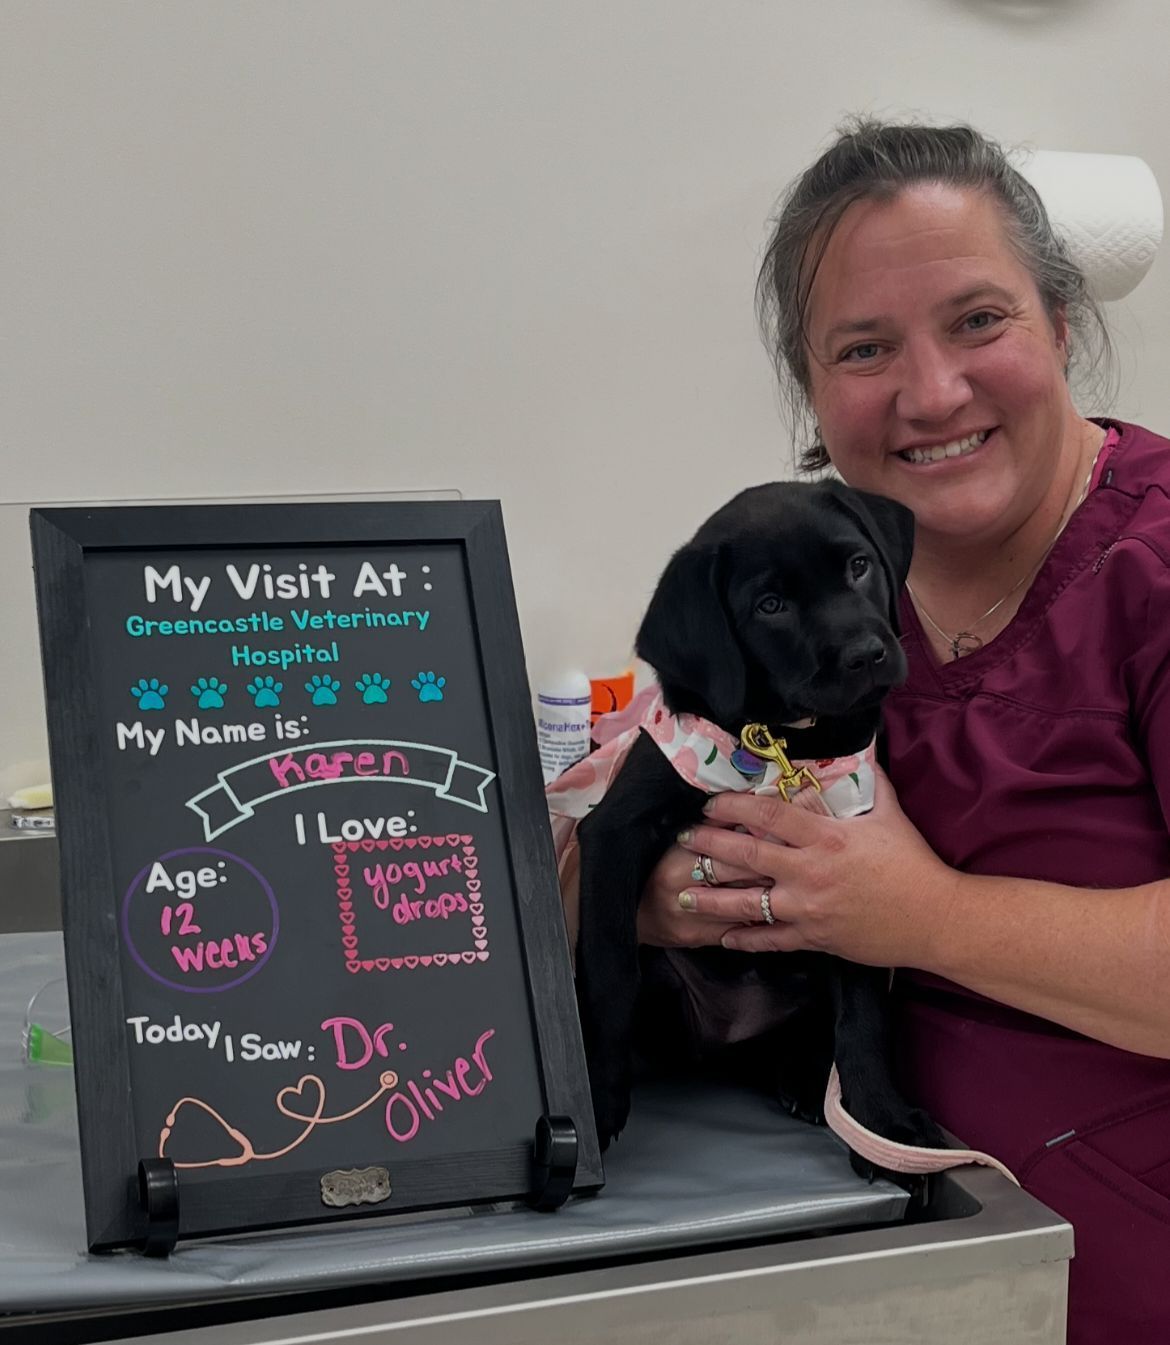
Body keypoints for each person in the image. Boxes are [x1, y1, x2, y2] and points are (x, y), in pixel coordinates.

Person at [636, 120, 1170, 1344]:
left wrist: (916, 914)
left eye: (980, 321)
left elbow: (875, 901)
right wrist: (668, 891)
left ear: (1064, 327)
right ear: (814, 395)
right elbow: (640, 805)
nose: (931, 393)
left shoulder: (1151, 569)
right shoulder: (812, 579)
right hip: (873, 1258)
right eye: (865, 349)